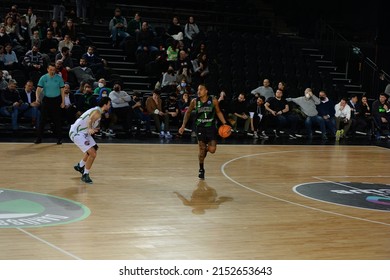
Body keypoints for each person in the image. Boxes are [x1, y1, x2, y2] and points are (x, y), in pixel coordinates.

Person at [178, 84, 229, 180]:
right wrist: (183, 125)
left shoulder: (213, 101)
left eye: (201, 89)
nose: (198, 91)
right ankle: (201, 169)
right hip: (200, 128)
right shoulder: (194, 101)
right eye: (198, 90)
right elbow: (188, 112)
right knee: (201, 151)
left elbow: (218, 112)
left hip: (211, 128)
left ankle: (204, 149)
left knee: (212, 150)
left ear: (206, 91)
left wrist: (225, 123)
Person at [70, 96, 111, 184]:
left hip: (83, 132)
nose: (110, 106)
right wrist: (89, 129)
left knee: (94, 148)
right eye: (109, 104)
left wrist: (94, 129)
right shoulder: (97, 112)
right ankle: (85, 175)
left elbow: (91, 123)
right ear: (105, 105)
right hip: (77, 133)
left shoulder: (98, 111)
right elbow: (89, 120)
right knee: (93, 153)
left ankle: (80, 166)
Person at [34, 63, 65, 144]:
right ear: (47, 69)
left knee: (57, 120)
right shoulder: (43, 78)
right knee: (42, 120)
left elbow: (62, 90)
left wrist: (63, 101)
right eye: (51, 70)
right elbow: (38, 89)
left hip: (56, 100)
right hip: (46, 100)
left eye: (54, 70)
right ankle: (39, 138)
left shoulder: (59, 78)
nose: (52, 71)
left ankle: (59, 139)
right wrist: (37, 98)